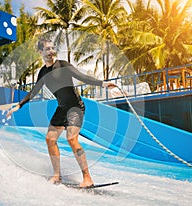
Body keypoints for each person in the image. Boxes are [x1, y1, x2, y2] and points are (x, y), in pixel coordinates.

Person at [6, 38, 116, 188]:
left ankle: (87, 178)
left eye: (52, 48)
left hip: (75, 107)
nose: (51, 51)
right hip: (61, 108)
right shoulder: (43, 72)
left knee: (72, 139)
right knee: (50, 139)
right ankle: (57, 176)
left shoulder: (63, 65)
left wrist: (102, 83)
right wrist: (19, 106)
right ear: (40, 52)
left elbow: (82, 77)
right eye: (47, 49)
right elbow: (33, 91)